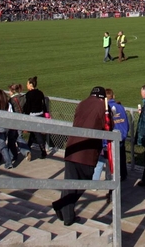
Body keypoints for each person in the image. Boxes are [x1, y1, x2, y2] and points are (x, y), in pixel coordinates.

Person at [52, 86, 107, 226]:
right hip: (86, 152)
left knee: (70, 183)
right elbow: (107, 126)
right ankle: (65, 212)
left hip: (72, 148)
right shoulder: (101, 106)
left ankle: (64, 209)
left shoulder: (82, 103)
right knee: (83, 182)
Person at [24, 76, 48, 160]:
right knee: (33, 132)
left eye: (27, 83)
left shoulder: (29, 94)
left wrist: (25, 116)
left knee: (37, 134)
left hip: (33, 115)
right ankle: (27, 147)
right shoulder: (40, 93)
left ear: (31, 85)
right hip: (40, 114)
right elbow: (43, 104)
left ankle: (43, 151)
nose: (26, 85)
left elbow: (28, 107)